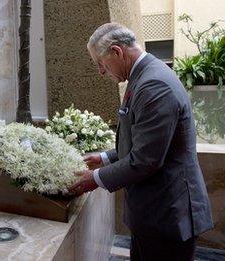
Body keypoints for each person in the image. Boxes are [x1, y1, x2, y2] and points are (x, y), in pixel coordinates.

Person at [69, 23, 214, 261]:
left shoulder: (154, 85)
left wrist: (94, 179)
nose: (100, 72)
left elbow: (146, 160)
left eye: (100, 63)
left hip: (168, 216)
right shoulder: (143, 76)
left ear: (117, 52)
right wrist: (104, 157)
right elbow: (144, 141)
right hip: (156, 214)